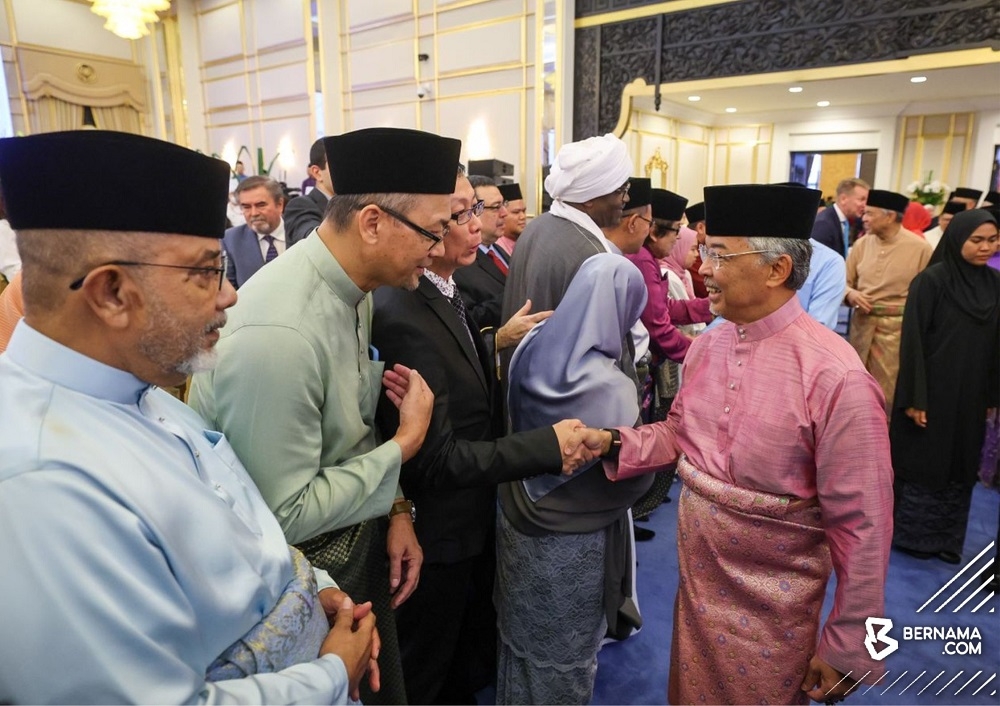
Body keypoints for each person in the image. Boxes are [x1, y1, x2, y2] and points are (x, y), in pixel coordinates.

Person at [0, 130, 377, 704]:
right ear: (112, 294)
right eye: (205, 273)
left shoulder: (141, 385)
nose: (229, 297)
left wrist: (305, 597)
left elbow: (240, 532)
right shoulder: (39, 479)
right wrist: (329, 674)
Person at [594, 183, 893, 706]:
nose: (701, 267)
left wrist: (852, 644)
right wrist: (610, 442)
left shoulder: (836, 375)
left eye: (717, 254)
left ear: (777, 269)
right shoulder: (710, 342)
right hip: (698, 584)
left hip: (775, 606)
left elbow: (864, 526)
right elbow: (680, 434)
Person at [190, 127, 459, 705]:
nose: (439, 248)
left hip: (355, 548)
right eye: (432, 231)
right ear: (372, 223)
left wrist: (398, 508)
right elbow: (278, 517)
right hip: (301, 585)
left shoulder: (353, 288)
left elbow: (355, 427)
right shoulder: (280, 334)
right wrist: (405, 445)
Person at [372, 166, 595, 704]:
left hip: (466, 520)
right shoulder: (403, 310)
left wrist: (493, 339)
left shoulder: (441, 290)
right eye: (461, 213)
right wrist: (547, 445)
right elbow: (437, 457)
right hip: (438, 529)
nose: (477, 225)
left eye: (477, 210)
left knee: (460, 661)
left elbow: (452, 366)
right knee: (427, 669)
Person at [497, 253, 648, 704]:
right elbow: (631, 475)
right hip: (575, 539)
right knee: (563, 654)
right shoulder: (612, 387)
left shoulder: (531, 342)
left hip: (515, 511)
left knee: (518, 638)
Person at [890, 209, 1000, 564]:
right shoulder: (931, 281)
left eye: (993, 240)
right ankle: (913, 537)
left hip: (971, 394)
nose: (986, 247)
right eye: (977, 240)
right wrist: (914, 397)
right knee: (926, 459)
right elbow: (914, 344)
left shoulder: (995, 284)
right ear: (958, 240)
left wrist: (992, 396)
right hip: (932, 391)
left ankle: (947, 539)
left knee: (961, 462)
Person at [846, 189, 933, 414]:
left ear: (890, 216)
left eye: (870, 214)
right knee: (854, 384)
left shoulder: (920, 248)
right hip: (862, 325)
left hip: (897, 332)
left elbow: (929, 294)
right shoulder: (862, 244)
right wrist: (851, 294)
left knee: (887, 391)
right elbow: (844, 282)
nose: (863, 218)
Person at [453, 175, 509, 330]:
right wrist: (514, 295)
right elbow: (466, 320)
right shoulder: (459, 263)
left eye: (504, 204)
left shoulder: (498, 250)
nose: (505, 213)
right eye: (496, 207)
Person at [224, 175, 289, 288]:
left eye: (260, 205)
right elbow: (229, 291)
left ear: (279, 205)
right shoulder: (231, 240)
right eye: (246, 207)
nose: (254, 213)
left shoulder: (302, 234)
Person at [284, 138, 335, 245]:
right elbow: (311, 240)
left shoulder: (355, 204)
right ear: (317, 173)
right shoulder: (300, 205)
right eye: (338, 165)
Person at [811, 177, 870, 258]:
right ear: (843, 199)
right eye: (861, 199)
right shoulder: (824, 224)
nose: (865, 205)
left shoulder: (843, 221)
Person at [495, 182, 525, 260]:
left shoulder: (527, 242)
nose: (523, 217)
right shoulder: (496, 247)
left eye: (524, 211)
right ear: (502, 214)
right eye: (516, 212)